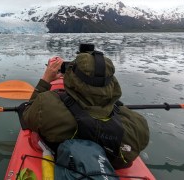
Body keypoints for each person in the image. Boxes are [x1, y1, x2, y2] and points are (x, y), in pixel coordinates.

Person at [22, 46, 150, 169]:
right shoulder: (137, 124)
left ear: (71, 77)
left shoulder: (46, 105)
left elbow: (26, 115)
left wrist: (45, 80)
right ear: (112, 83)